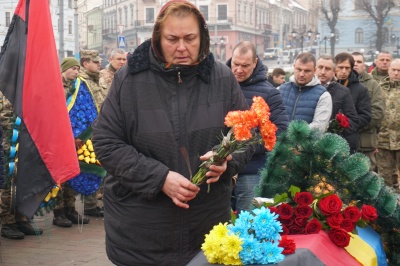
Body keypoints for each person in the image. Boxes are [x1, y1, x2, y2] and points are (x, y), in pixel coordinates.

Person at [91, 1, 254, 265]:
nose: (181, 47)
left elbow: (246, 134)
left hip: (206, 228)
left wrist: (228, 160)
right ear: (157, 38)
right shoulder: (129, 79)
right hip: (141, 232)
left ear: (203, 37)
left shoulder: (222, 78)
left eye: (190, 38)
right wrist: (159, 178)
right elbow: (106, 142)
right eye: (172, 39)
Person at [226, 41, 288, 213]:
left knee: (248, 222)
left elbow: (281, 129)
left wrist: (248, 146)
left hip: (250, 171)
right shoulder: (219, 84)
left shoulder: (269, 92)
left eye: (245, 66)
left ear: (255, 62)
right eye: (235, 64)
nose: (239, 70)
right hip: (220, 169)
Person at [52, 57, 91, 227]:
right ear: (64, 68)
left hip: (75, 139)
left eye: (77, 69)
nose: (76, 72)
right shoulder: (53, 85)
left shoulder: (77, 88)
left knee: (73, 173)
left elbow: (81, 112)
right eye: (73, 69)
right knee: (59, 176)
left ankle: (71, 209)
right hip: (57, 139)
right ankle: (58, 212)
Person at [0, 92, 43, 239]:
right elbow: (5, 117)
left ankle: (22, 218)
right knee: (9, 184)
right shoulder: (7, 89)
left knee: (25, 181)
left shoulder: (28, 88)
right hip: (10, 143)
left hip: (28, 143)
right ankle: (7, 222)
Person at [79, 50, 108, 217]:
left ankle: (92, 203)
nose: (99, 64)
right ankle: (89, 205)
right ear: (86, 63)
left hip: (100, 130)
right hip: (86, 133)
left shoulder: (98, 79)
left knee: (98, 166)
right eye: (95, 62)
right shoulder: (80, 81)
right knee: (88, 167)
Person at [278, 52, 332, 132]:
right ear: (294, 67)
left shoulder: (323, 96)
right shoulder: (280, 90)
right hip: (279, 142)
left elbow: (319, 126)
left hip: (306, 143)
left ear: (314, 71)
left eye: (307, 71)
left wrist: (295, 134)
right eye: (299, 69)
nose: (302, 74)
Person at [352, 52, 385, 171]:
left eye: (359, 62)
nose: (355, 64)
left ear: (364, 65)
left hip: (365, 143)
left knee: (366, 180)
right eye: (353, 62)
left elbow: (377, 113)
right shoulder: (340, 83)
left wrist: (354, 126)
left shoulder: (373, 85)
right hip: (345, 142)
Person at [315, 55, 359, 143]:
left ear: (334, 72)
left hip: (330, 145)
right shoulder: (305, 88)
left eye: (327, 69)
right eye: (320, 67)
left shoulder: (343, 92)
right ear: (315, 69)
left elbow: (353, 121)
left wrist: (336, 128)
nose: (323, 72)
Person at [334, 52, 371, 153]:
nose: (344, 71)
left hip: (349, 139)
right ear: (334, 68)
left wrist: (345, 124)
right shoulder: (327, 86)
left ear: (351, 69)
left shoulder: (360, 89)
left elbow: (365, 115)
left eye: (347, 68)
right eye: (340, 67)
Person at [377, 59, 400, 192]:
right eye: (394, 70)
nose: (396, 73)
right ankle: (388, 207)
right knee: (385, 178)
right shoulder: (379, 88)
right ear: (389, 70)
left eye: (399, 71)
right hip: (383, 139)